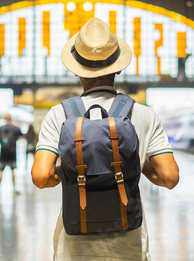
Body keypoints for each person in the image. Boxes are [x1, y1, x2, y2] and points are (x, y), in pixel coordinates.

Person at [31, 17, 180, 260]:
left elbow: (41, 177)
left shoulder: (59, 114)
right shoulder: (143, 114)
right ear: (119, 67)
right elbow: (169, 177)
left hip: (73, 247)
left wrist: (70, 169)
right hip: (129, 245)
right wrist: (133, 160)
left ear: (76, 70)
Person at [0, 112, 23, 194]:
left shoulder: (1, 128)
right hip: (12, 153)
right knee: (13, 170)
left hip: (2, 153)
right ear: (11, 119)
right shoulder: (15, 128)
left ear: (5, 119)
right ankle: (14, 190)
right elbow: (20, 133)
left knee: (0, 171)